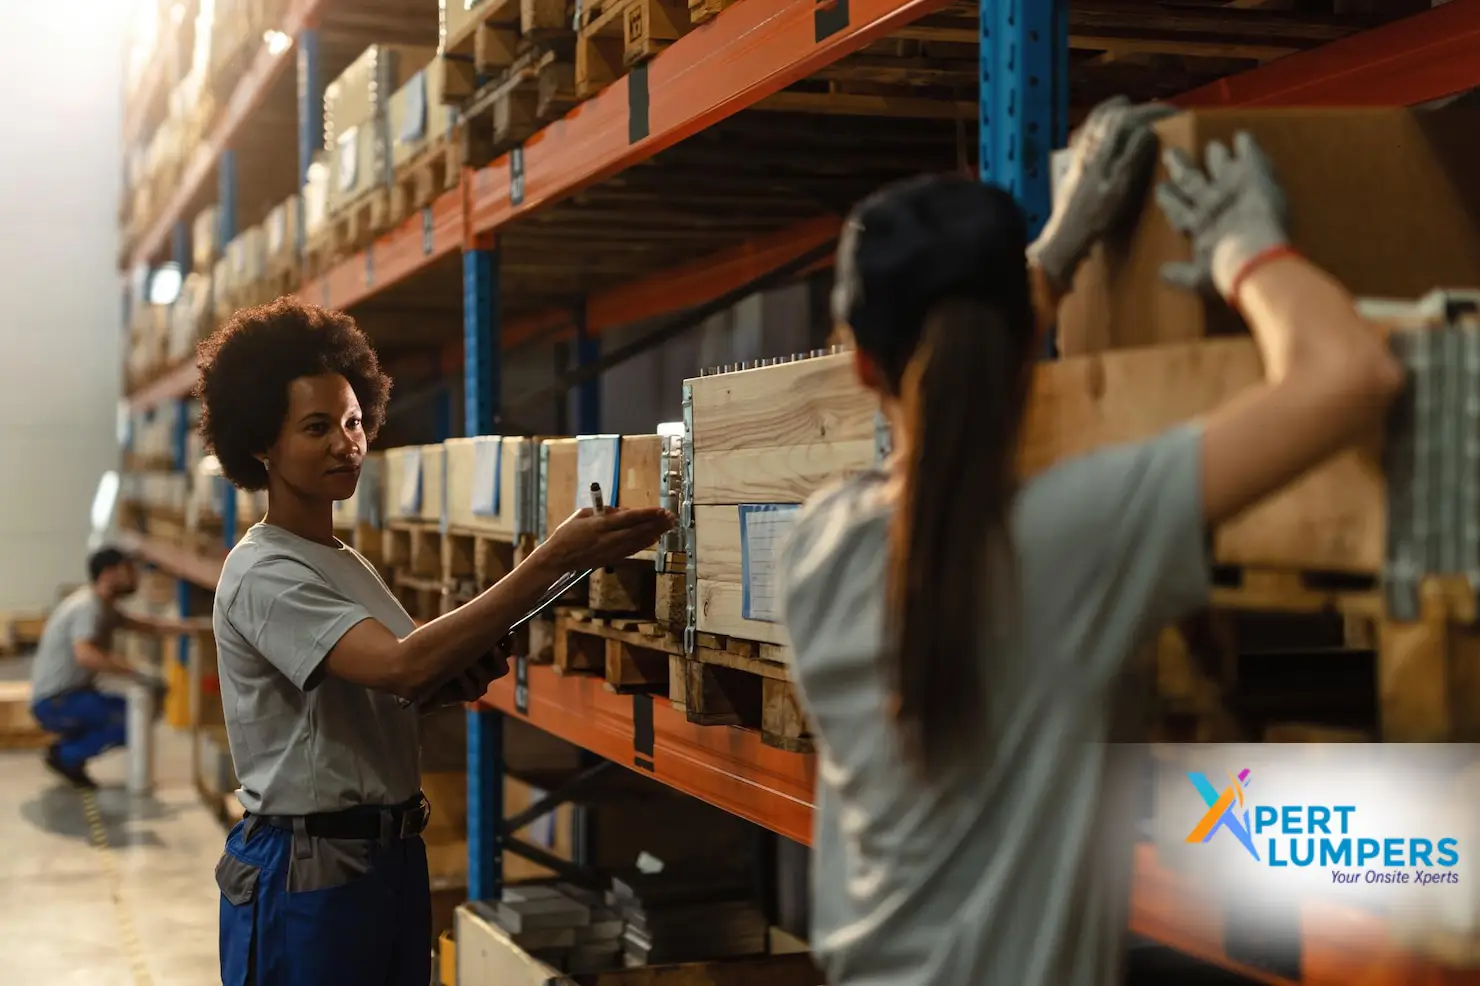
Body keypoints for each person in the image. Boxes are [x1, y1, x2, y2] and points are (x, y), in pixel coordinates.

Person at [776, 98, 1406, 986]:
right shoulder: (1070, 539)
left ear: (859, 364)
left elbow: (946, 409)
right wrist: (1246, 248)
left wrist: (1055, 255)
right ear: (1030, 335)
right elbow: (1351, 371)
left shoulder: (814, 552)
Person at [196, 298, 674, 986]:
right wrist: (552, 557)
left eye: (356, 422)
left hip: (385, 860)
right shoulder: (261, 571)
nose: (346, 443)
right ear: (262, 445)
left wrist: (449, 678)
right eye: (317, 427)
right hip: (309, 874)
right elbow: (400, 663)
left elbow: (399, 683)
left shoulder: (345, 562)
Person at [29, 547, 207, 789]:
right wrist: (135, 672)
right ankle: (65, 755)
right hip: (56, 702)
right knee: (129, 719)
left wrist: (194, 628)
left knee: (131, 713)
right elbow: (85, 654)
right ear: (109, 574)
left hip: (69, 697)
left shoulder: (103, 606)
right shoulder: (88, 607)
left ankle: (68, 750)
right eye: (128, 570)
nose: (135, 576)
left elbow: (147, 626)